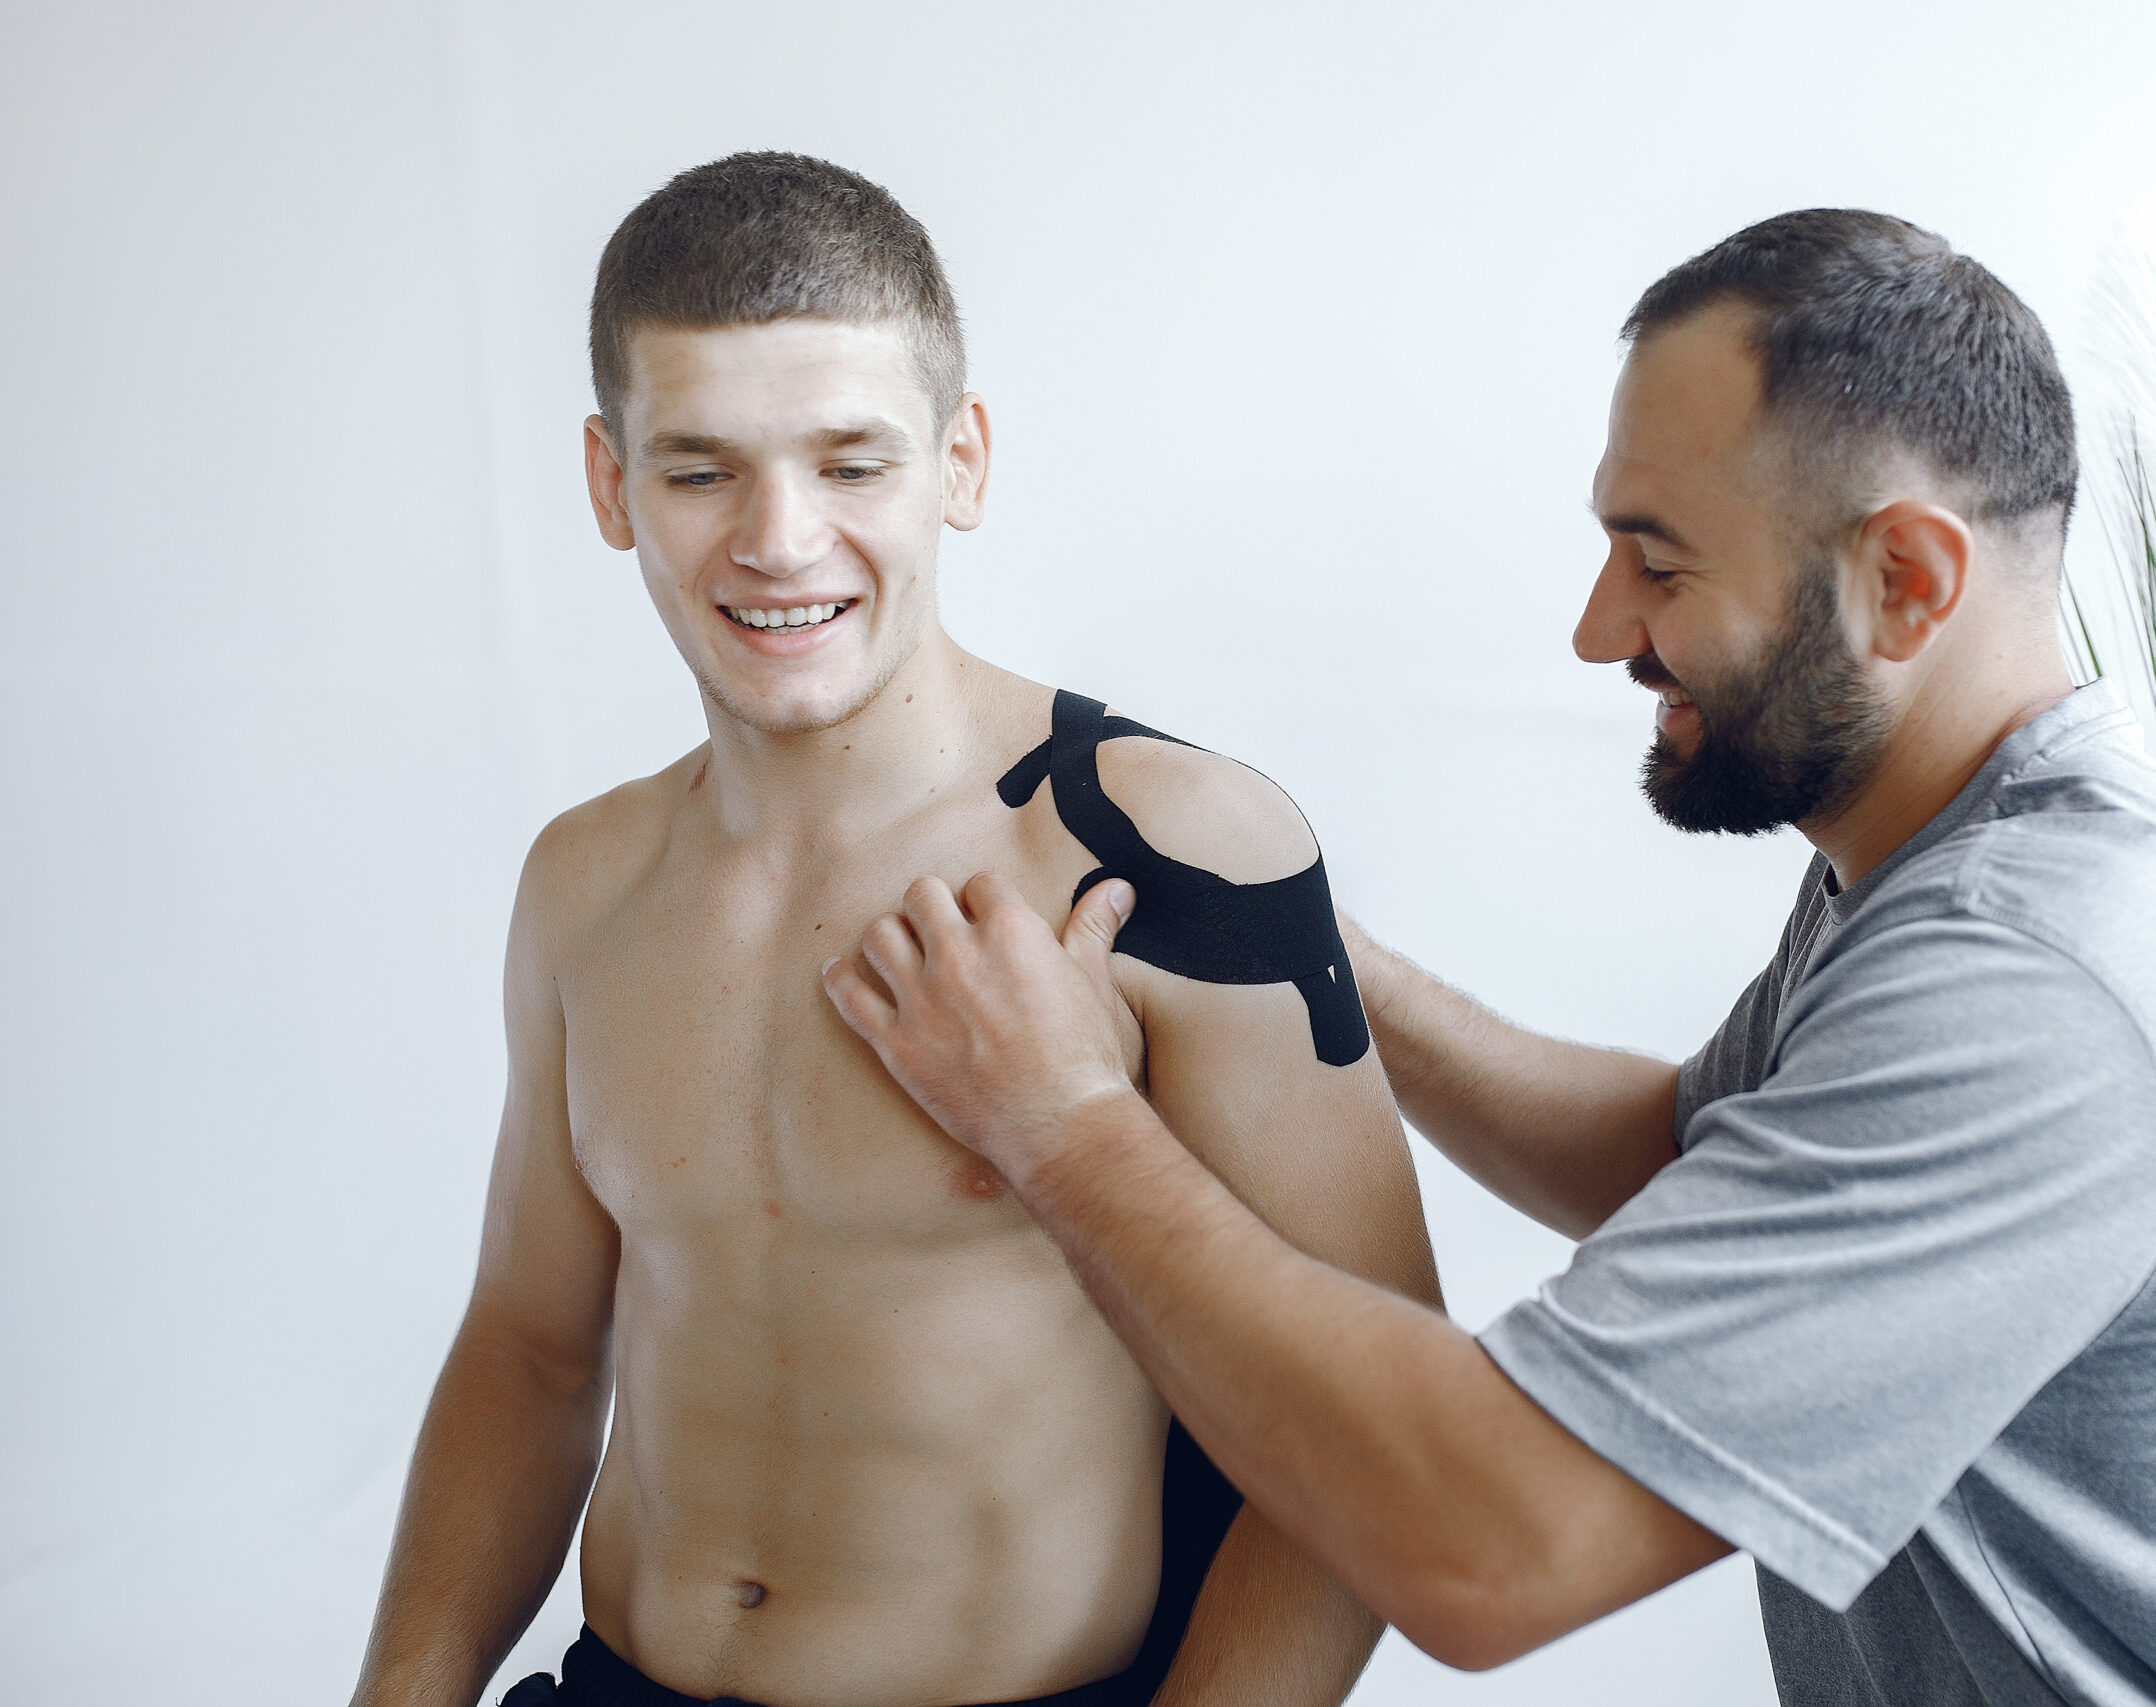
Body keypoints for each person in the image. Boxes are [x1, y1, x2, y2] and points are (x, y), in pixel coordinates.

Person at [826, 210, 2156, 1705]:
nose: (1600, 630)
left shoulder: (2042, 981)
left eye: (1660, 564)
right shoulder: (1944, 862)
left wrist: (1056, 1119)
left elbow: (1487, 1544)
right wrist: (1293, 940)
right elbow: (1672, 1154)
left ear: (1907, 582)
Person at [350, 152, 1438, 1707]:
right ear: (610, 483)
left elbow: (1380, 1438)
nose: (780, 540)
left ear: (960, 463)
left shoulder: (1164, 852)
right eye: (700, 470)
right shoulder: (584, 880)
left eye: (852, 464)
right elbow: (529, 1349)